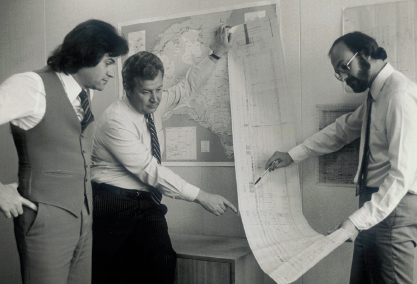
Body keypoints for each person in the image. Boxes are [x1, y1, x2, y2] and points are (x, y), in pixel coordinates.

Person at [265, 31, 417, 284]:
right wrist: (293, 155)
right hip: (374, 206)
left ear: (366, 54)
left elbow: (403, 176)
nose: (343, 78)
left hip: (392, 207)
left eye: (345, 67)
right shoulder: (377, 95)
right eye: (339, 72)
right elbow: (342, 130)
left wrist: (355, 223)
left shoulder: (399, 95)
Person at [91, 24, 237, 284]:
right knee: (110, 275)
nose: (155, 98)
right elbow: (151, 171)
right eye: (146, 91)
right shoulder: (116, 120)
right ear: (128, 88)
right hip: (112, 203)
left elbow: (187, 87)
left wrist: (216, 53)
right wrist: (201, 196)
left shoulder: (155, 104)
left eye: (158, 89)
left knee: (162, 263)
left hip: (145, 204)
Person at [0, 19, 128, 284]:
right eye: (108, 62)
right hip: (45, 222)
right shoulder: (31, 86)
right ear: (87, 53)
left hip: (83, 218)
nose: (112, 71)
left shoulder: (84, 94)